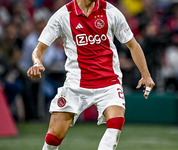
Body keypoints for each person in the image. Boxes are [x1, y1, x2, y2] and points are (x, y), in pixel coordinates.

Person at [27, 0, 155, 149]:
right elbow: (39, 48)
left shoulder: (111, 12)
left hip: (109, 82)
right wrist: (37, 63)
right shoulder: (62, 15)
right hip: (76, 83)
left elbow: (133, 44)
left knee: (116, 122)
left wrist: (146, 75)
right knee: (54, 137)